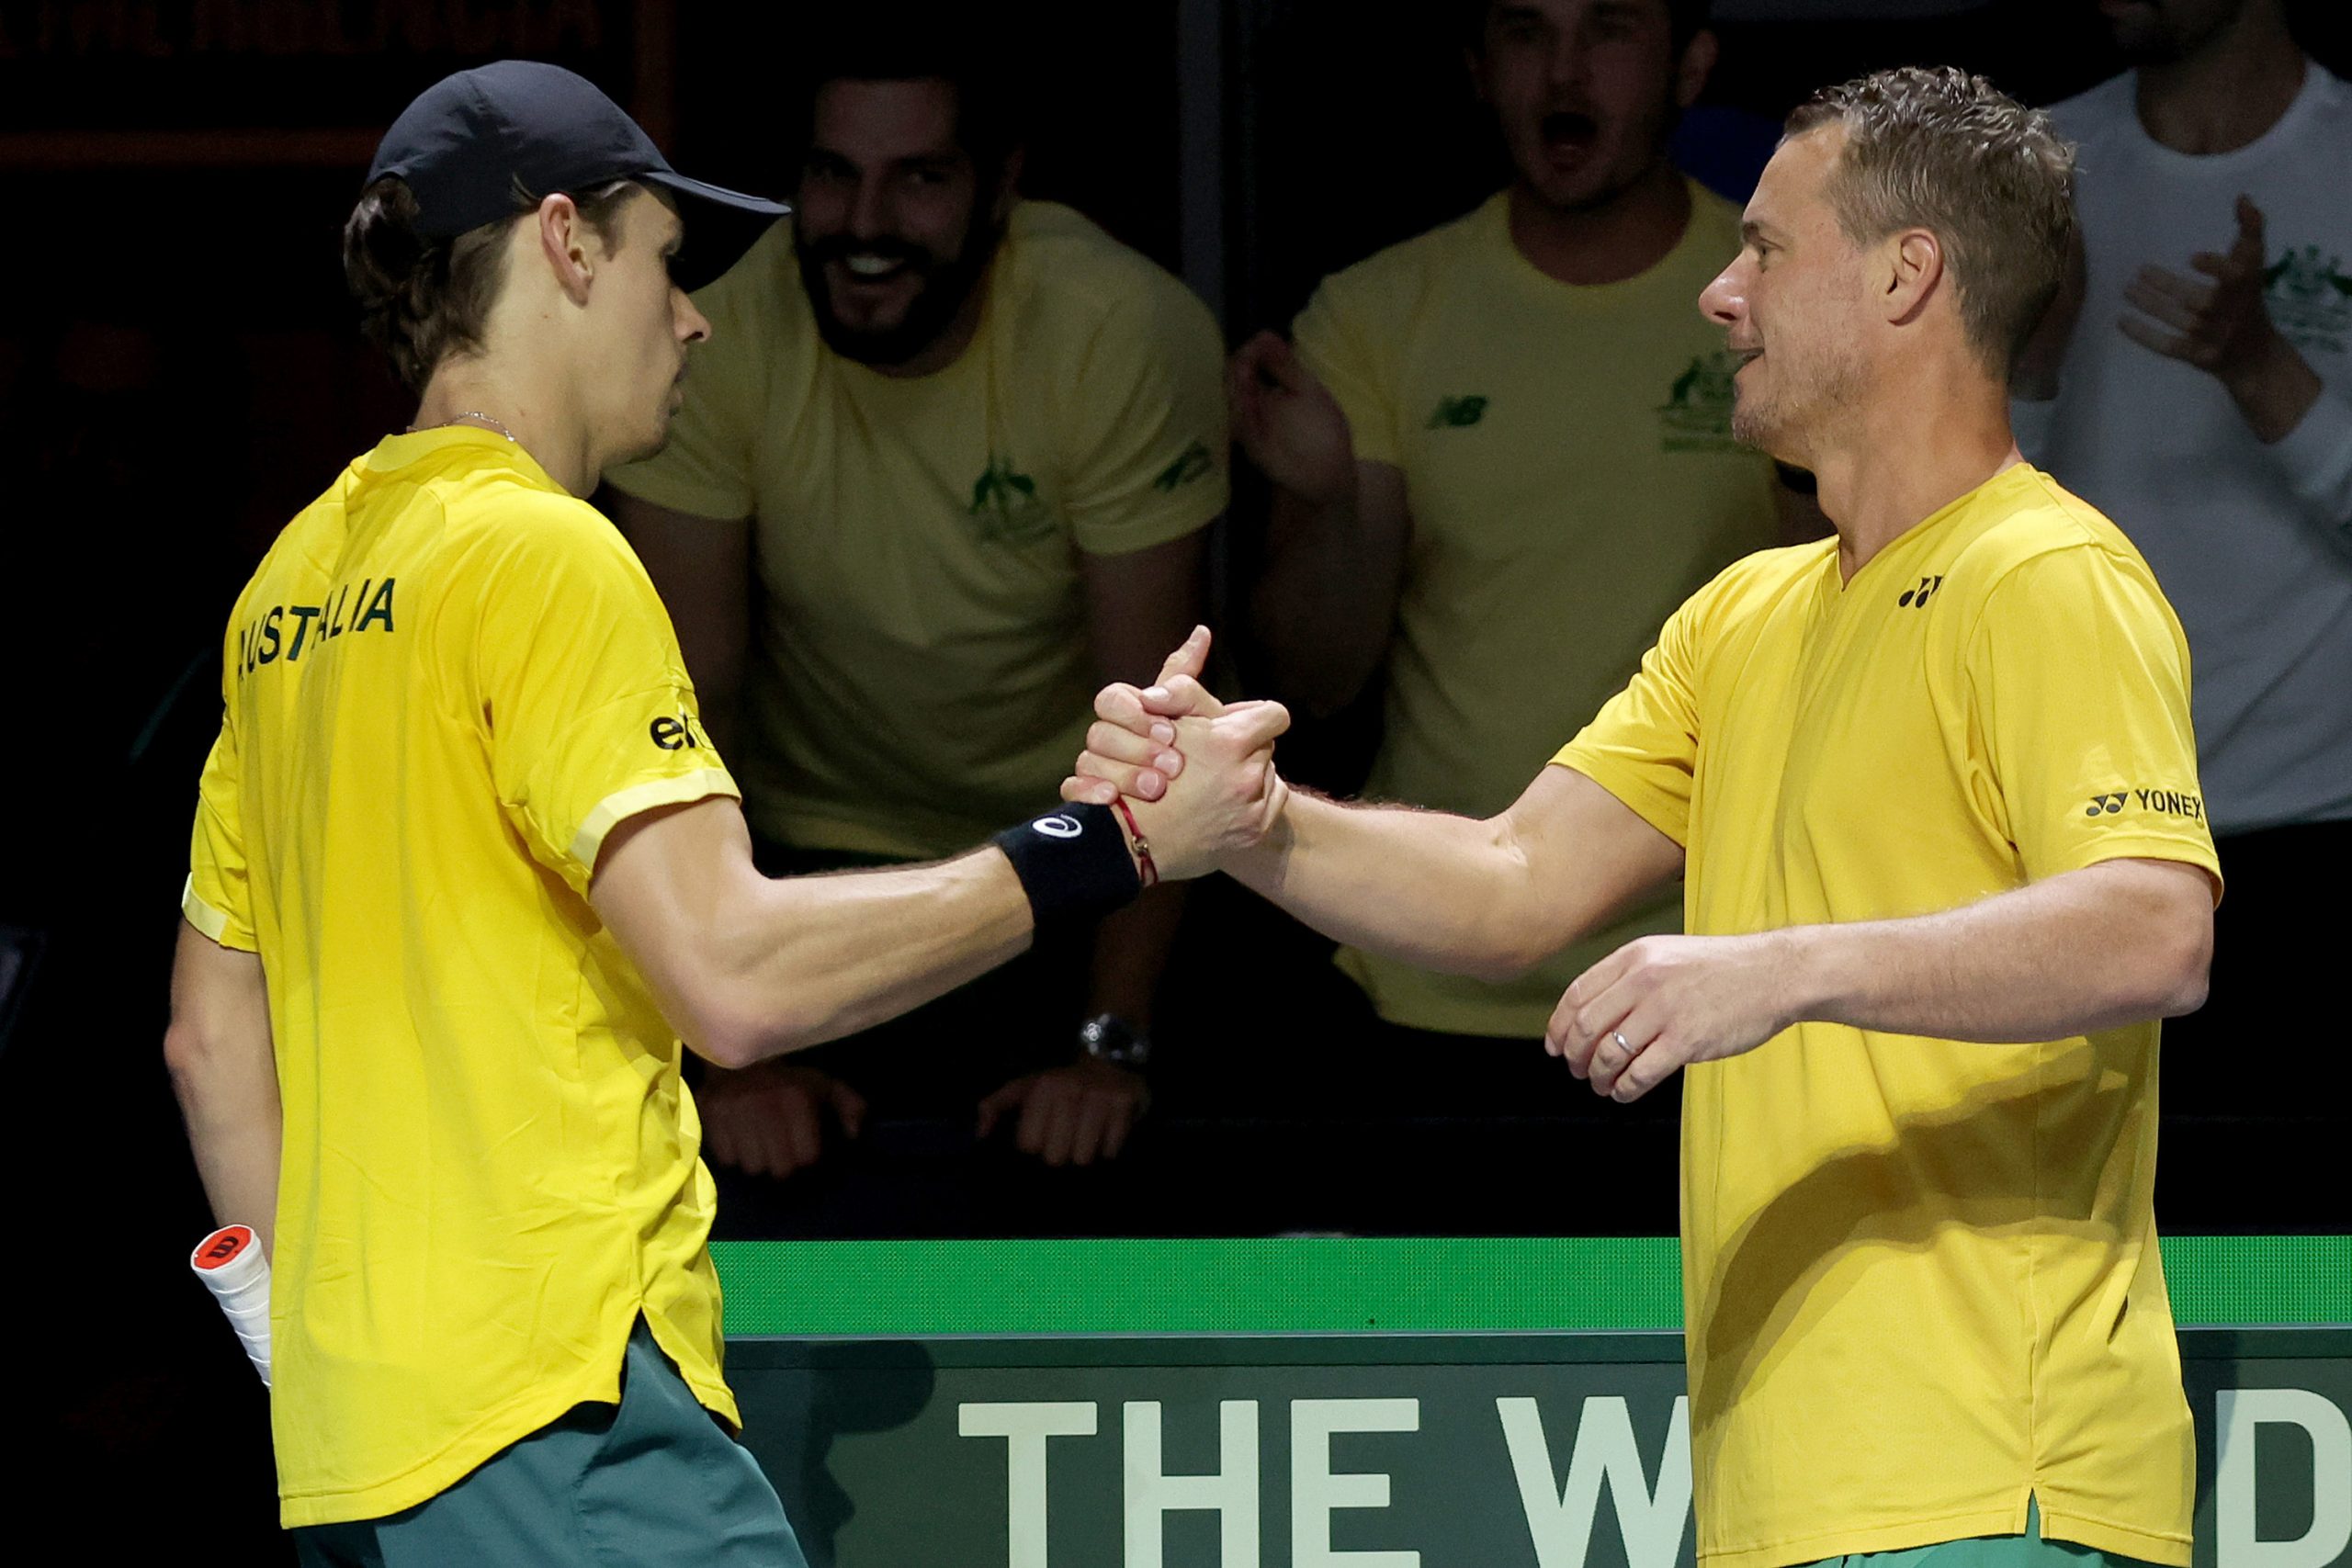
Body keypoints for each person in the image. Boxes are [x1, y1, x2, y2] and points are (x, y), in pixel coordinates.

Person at [1080, 67, 2217, 1568]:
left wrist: (1777, 965)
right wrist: (1254, 822)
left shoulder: (2045, 572)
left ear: (1907, 274)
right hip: (1788, 1495)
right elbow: (1511, 879)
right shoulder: (1748, 613)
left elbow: (2153, 926)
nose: (1717, 296)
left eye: (1764, 250)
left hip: (1991, 1481)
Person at [161, 62, 1283, 1563]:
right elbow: (734, 978)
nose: (693, 319)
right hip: (568, 1421)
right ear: (566, 244)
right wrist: (1116, 846)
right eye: (666, 263)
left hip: (358, 1458)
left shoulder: (291, 585)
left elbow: (209, 1037)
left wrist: (317, 1368)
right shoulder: (544, 554)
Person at [605, 17, 1227, 1185]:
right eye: (834, 175)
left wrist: (1110, 1046)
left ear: (1001, 185)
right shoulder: (717, 339)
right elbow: (688, 718)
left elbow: (1162, 724)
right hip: (805, 865)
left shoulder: (1113, 330)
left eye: (919, 178)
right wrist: (723, 1049)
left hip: (1078, 859)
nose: (867, 226)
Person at [1233, 0, 1799, 1100]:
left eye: (1610, 33)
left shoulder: (1775, 302)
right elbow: (1314, 679)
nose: (1565, 73)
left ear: (1690, 68)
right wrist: (1332, 497)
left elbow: (1858, 637)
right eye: (1528, 35)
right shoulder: (1377, 313)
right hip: (1427, 969)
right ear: (1479, 70)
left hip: (1703, 981)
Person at [2011, 0, 2352, 1167]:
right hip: (2068, 836)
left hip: (2318, 845)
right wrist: (2037, 356)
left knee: (2293, 1268)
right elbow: (1929, 526)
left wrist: (2262, 367)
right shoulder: (2020, 166)